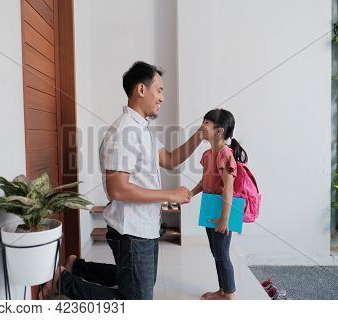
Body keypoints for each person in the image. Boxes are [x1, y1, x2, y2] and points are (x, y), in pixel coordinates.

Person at [42, 61, 203, 300]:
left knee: (137, 283)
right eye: (159, 90)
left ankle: (77, 267)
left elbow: (169, 159)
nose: (162, 98)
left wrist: (199, 136)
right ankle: (63, 282)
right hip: (132, 231)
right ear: (141, 89)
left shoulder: (141, 130)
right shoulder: (124, 132)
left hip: (144, 227)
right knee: (136, 300)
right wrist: (170, 195)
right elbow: (117, 189)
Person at [190, 108, 248, 300]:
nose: (202, 126)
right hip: (210, 207)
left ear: (219, 131)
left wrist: (224, 219)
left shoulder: (225, 155)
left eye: (206, 122)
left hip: (222, 211)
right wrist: (191, 193)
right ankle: (223, 290)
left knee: (222, 254)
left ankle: (229, 295)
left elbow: (228, 189)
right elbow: (205, 182)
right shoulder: (208, 155)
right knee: (216, 252)